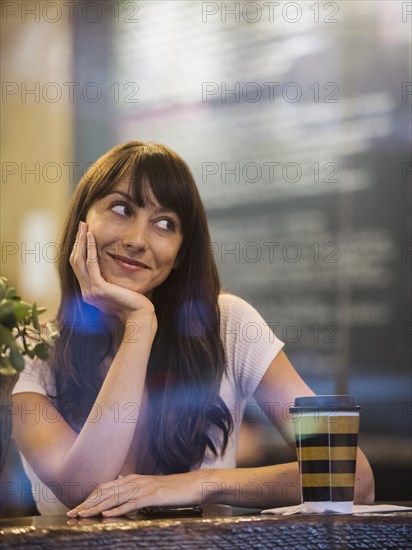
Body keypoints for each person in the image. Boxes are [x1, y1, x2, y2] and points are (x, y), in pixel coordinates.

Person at [12, 141, 374, 517]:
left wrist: (191, 485)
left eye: (165, 223)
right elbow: (83, 490)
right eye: (121, 208)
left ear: (181, 251)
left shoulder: (229, 324)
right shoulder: (29, 352)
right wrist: (139, 324)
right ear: (82, 221)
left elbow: (349, 477)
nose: (137, 240)